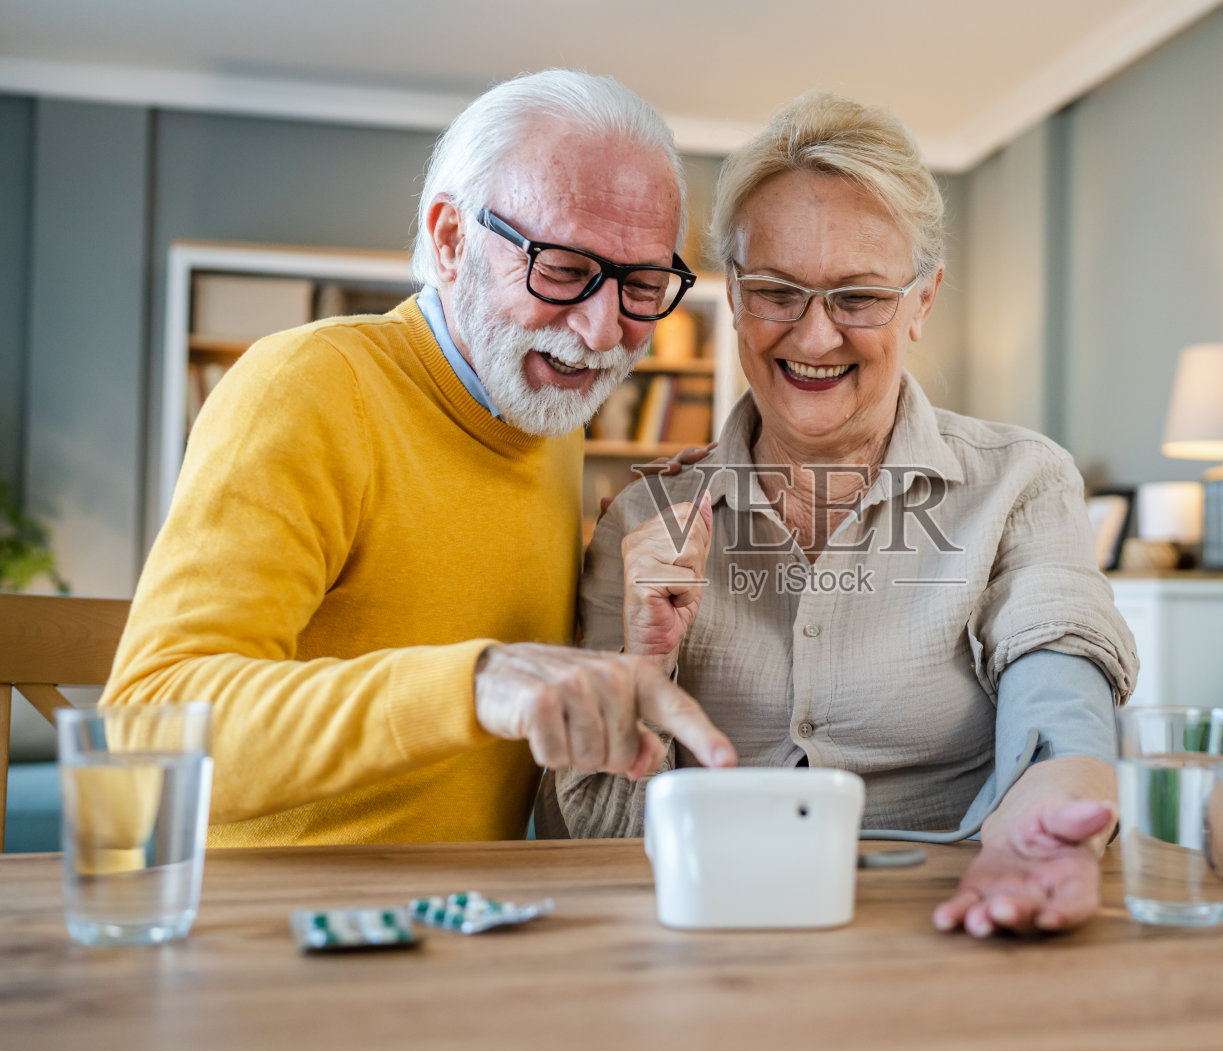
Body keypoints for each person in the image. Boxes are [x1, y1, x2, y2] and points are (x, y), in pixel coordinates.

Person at [543, 92, 1140, 938]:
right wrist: (643, 668)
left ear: (923, 300)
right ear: (738, 299)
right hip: (713, 927)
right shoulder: (647, 516)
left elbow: (1059, 670)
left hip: (951, 914)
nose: (816, 337)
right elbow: (588, 841)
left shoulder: (1021, 481)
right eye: (779, 291)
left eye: (859, 297)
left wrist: (1053, 811)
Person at [105, 70, 734, 848]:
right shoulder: (309, 387)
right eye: (565, 270)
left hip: (467, 926)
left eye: (642, 283)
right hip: (265, 936)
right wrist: (470, 684)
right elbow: (147, 731)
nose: (604, 331)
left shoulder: (547, 417)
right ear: (449, 239)